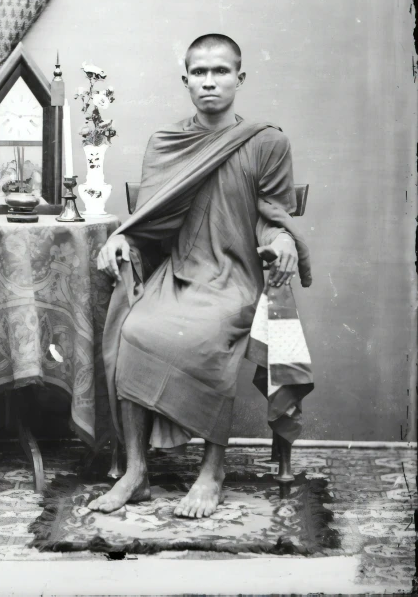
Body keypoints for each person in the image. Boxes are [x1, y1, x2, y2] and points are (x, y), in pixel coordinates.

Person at [89, 34, 311, 519]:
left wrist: (285, 241)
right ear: (185, 79)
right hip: (180, 271)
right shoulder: (166, 143)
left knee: (208, 338)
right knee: (134, 328)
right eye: (200, 72)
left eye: (221, 71)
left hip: (235, 277)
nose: (210, 81)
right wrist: (120, 237)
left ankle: (212, 470)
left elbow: (274, 215)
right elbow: (147, 220)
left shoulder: (267, 142)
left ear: (239, 78)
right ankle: (135, 472)